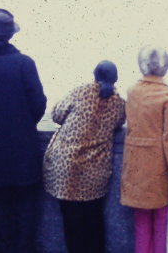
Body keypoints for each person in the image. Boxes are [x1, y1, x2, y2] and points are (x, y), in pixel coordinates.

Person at [0, 8, 47, 253]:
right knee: (25, 216)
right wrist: (23, 124)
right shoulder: (25, 63)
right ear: (10, 35)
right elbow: (39, 103)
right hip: (24, 155)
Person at [43, 60, 126, 253]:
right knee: (94, 219)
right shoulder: (119, 104)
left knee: (71, 223)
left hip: (66, 168)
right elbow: (119, 123)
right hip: (95, 171)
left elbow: (56, 114)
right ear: (115, 80)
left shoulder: (80, 92)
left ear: (94, 75)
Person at [120, 46, 168, 253]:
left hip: (135, 164)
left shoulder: (132, 91)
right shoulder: (167, 94)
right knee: (161, 218)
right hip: (158, 165)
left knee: (141, 220)